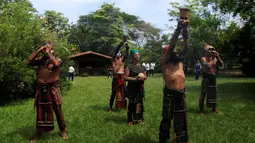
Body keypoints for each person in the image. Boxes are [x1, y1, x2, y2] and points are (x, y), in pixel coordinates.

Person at [26, 42, 68, 143]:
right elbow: (28, 61)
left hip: (53, 88)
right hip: (41, 89)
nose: (46, 48)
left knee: (58, 110)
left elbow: (56, 64)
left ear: (53, 49)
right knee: (40, 110)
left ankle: (63, 130)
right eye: (45, 46)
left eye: (49, 46)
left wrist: (49, 53)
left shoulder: (57, 59)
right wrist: (38, 50)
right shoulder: (40, 61)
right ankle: (39, 132)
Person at [159, 19, 190, 143]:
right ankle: (164, 139)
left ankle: (181, 140)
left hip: (181, 93)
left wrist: (185, 29)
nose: (176, 51)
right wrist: (178, 28)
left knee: (181, 117)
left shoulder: (179, 62)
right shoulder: (164, 63)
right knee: (167, 118)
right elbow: (171, 45)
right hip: (170, 94)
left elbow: (185, 46)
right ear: (168, 53)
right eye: (173, 51)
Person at [199, 44, 224, 116]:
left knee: (214, 93)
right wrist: (213, 58)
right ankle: (201, 111)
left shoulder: (215, 58)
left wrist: (218, 57)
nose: (211, 51)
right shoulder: (203, 58)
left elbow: (222, 65)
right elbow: (208, 66)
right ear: (205, 51)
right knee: (203, 94)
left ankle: (214, 108)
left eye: (212, 49)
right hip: (206, 78)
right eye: (209, 49)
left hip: (213, 77)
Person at [124, 49, 147, 126]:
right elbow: (125, 77)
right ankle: (130, 119)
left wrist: (144, 78)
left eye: (138, 54)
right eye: (136, 54)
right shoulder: (129, 66)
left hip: (140, 88)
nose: (137, 55)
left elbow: (145, 76)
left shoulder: (142, 67)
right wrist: (135, 79)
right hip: (132, 88)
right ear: (132, 56)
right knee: (131, 103)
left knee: (140, 103)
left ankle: (139, 118)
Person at [108, 41, 129, 112]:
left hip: (122, 77)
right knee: (114, 92)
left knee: (125, 92)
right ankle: (110, 107)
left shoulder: (122, 60)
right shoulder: (113, 60)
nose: (119, 55)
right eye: (118, 54)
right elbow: (114, 53)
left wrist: (127, 47)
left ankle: (125, 107)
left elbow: (127, 54)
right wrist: (120, 45)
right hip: (116, 77)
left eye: (120, 54)